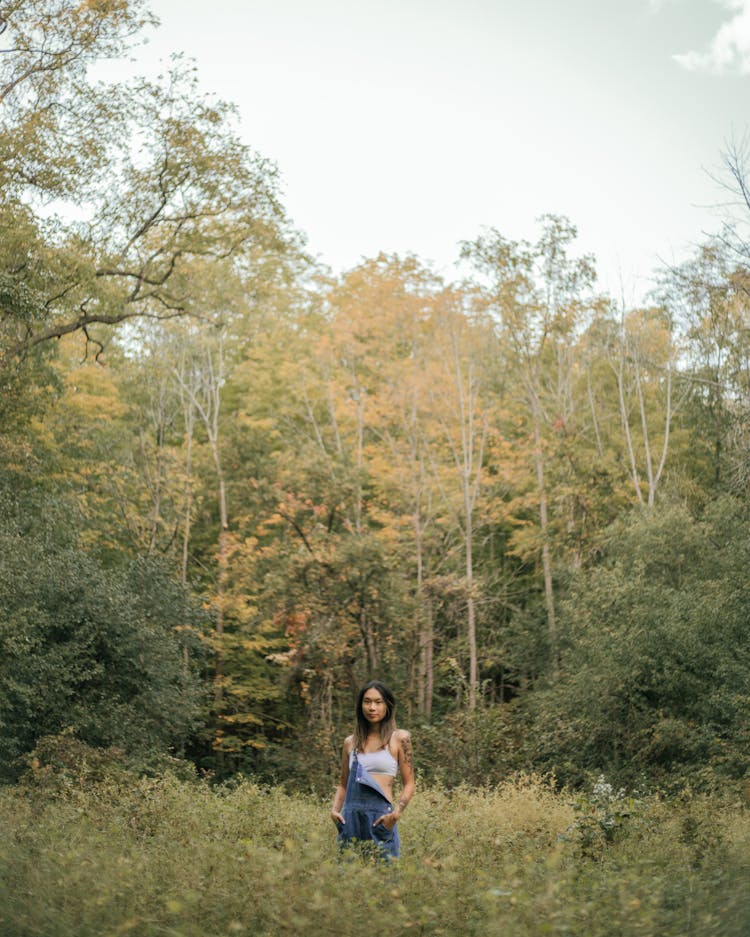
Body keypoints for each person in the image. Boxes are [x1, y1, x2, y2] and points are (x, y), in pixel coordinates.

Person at [330, 680, 415, 860]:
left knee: (385, 880)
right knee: (348, 879)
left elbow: (409, 784)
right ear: (361, 705)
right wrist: (335, 811)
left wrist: (396, 814)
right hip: (350, 819)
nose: (372, 707)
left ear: (388, 705)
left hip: (381, 819)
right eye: (367, 701)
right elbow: (343, 784)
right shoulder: (350, 743)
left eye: (378, 702)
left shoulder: (399, 738)